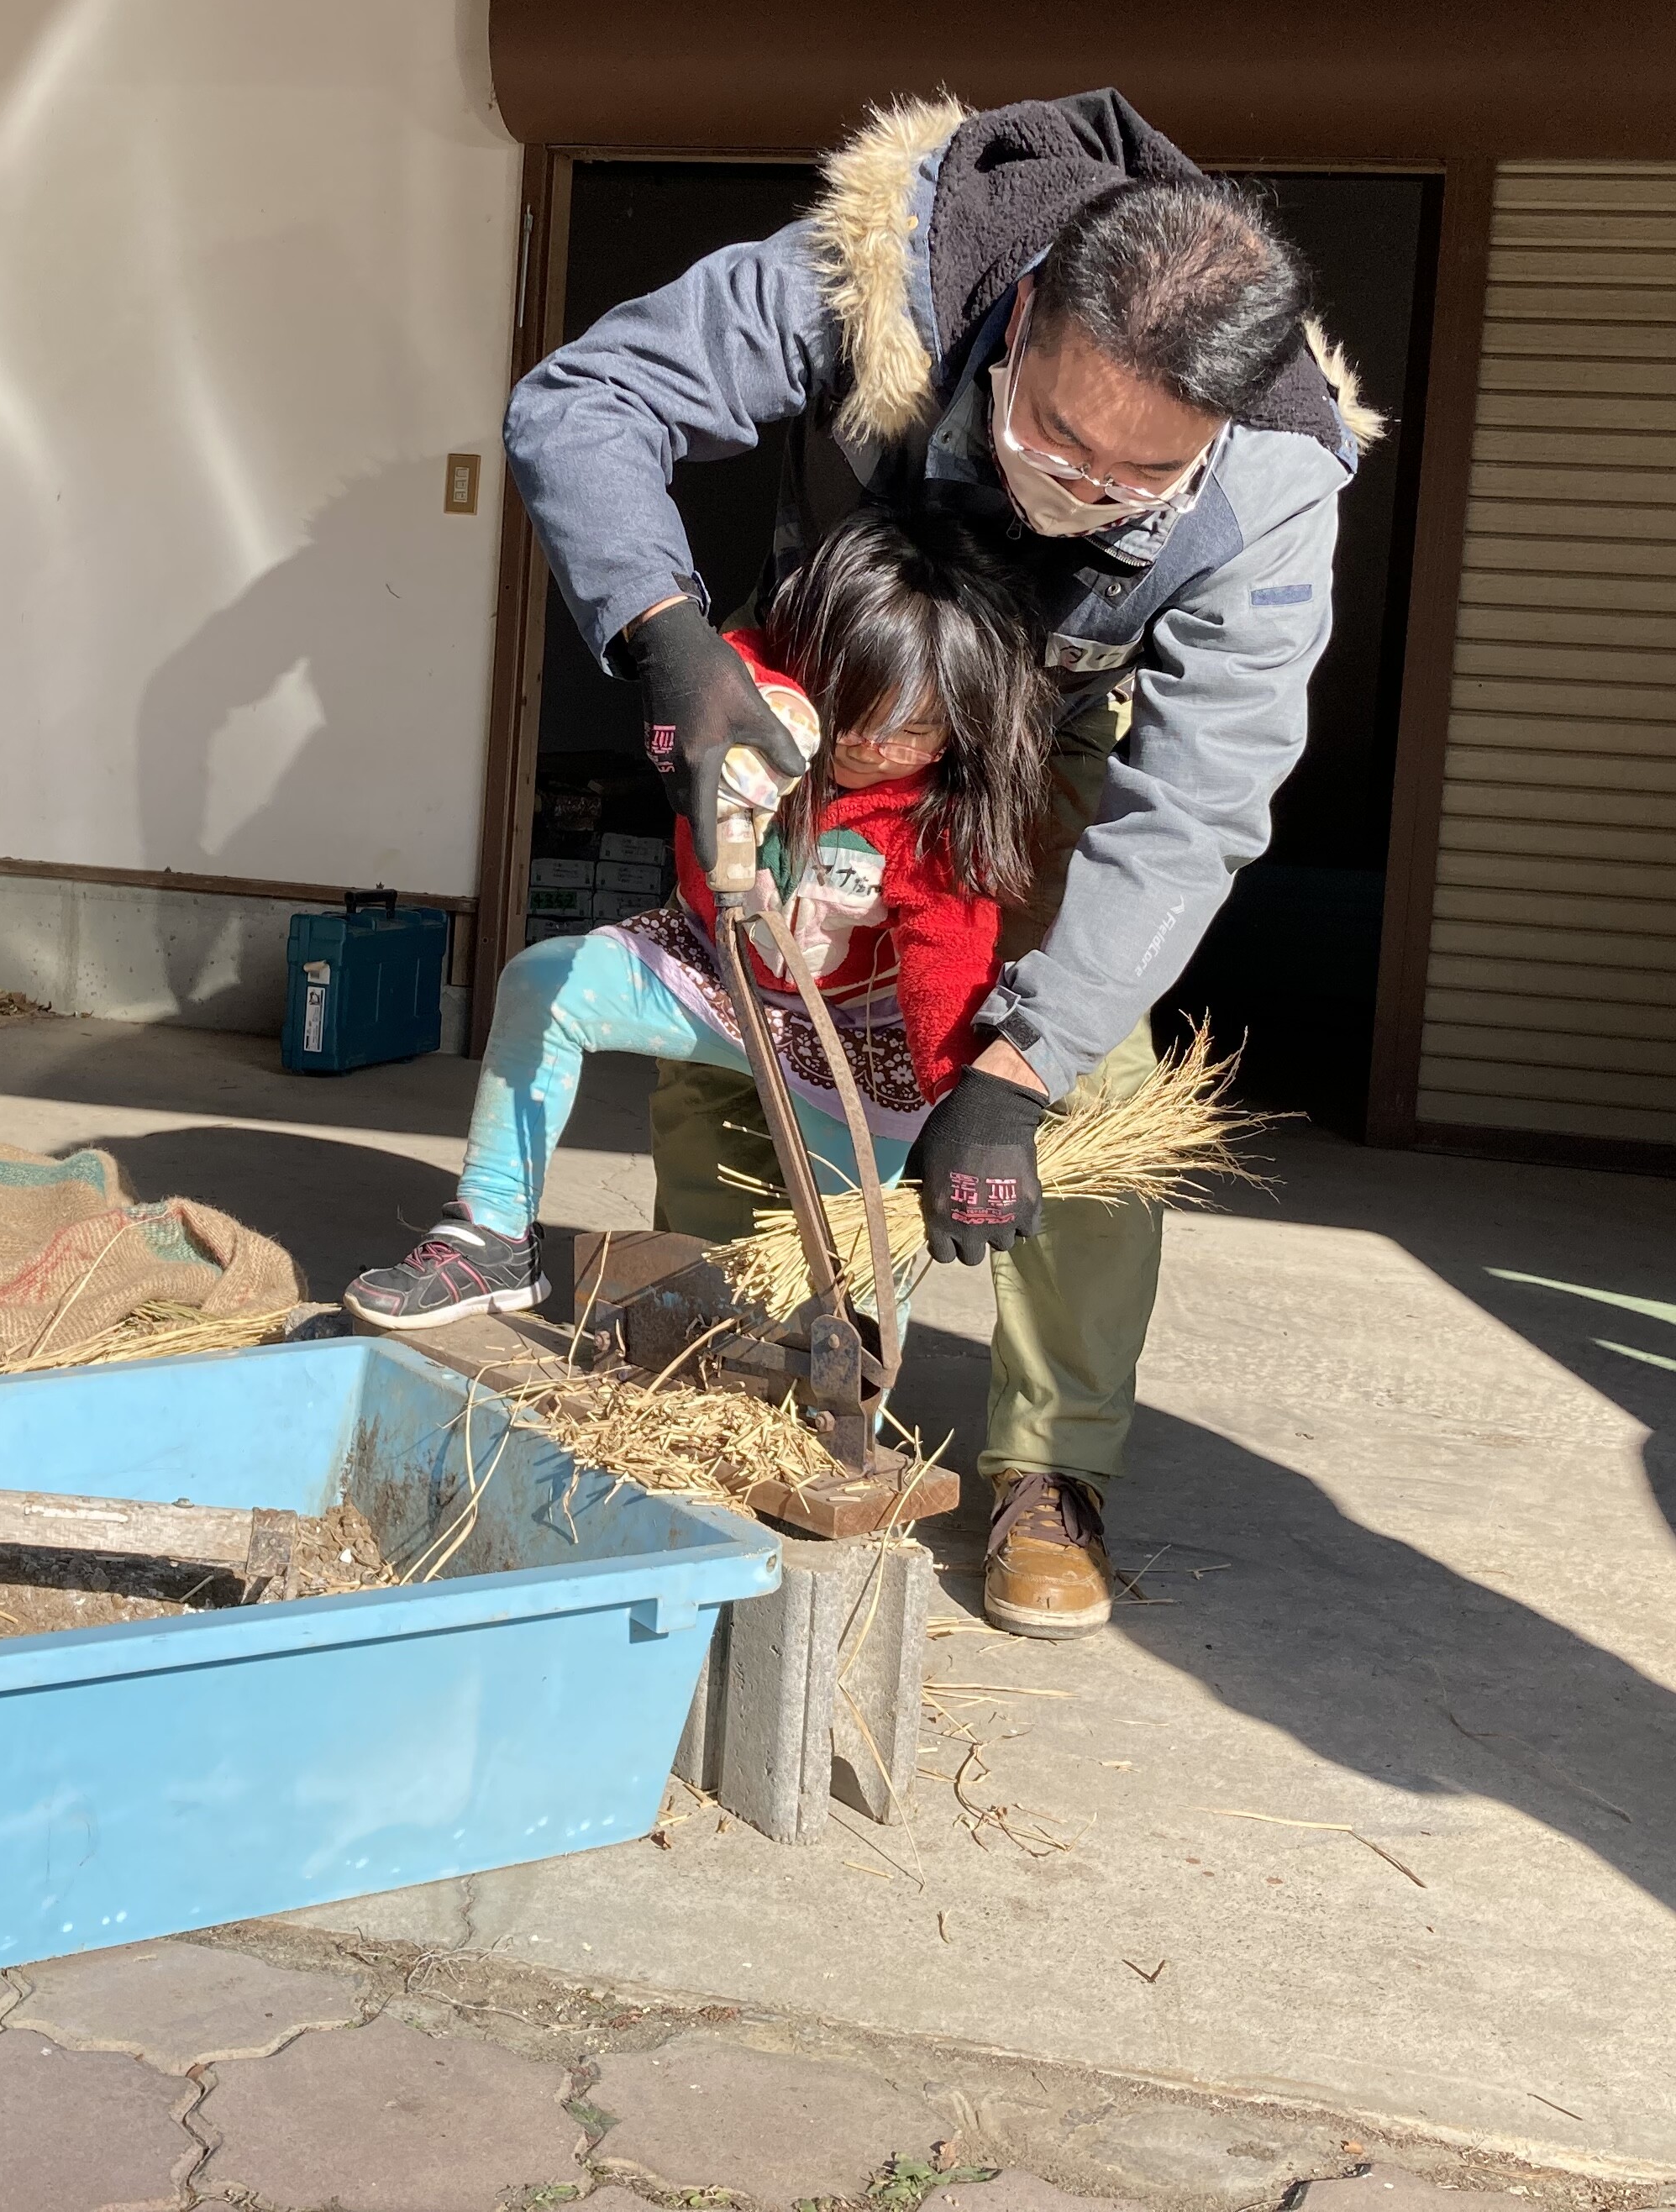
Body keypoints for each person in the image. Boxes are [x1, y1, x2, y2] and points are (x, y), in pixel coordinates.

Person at [503, 89, 1375, 1640]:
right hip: (840, 698)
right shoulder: (877, 281)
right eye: (1050, 429)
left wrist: (1019, 1067)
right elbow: (581, 403)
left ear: (1216, 440)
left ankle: (1051, 1467)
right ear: (1023, 308)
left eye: (1128, 481)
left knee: (1089, 1098)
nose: (1071, 481)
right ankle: (748, 1363)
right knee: (754, 1014)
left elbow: (1194, 804)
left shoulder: (1270, 491)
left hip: (1045, 738)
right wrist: (672, 643)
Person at [344, 512, 1052, 1337]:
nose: (871, 743)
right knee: (544, 982)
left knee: (848, 1276)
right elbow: (729, 663)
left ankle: (831, 1401)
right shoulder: (749, 708)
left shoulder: (939, 827)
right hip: (716, 981)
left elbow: (946, 970)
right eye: (854, 710)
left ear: (961, 726)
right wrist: (761, 708)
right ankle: (493, 1237)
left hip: (852, 1042)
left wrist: (953, 1109)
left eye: (914, 731)